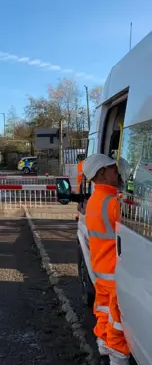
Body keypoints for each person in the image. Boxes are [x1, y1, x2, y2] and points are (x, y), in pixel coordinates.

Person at [82, 154, 130, 365]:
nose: (117, 172)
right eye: (113, 169)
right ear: (102, 173)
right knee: (118, 321)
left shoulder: (94, 201)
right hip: (115, 274)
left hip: (101, 271)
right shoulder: (113, 203)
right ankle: (118, 358)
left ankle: (102, 346)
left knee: (102, 311)